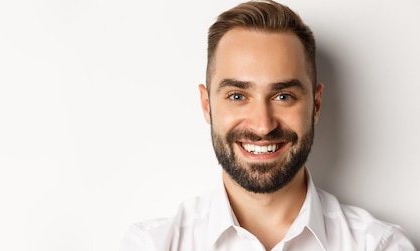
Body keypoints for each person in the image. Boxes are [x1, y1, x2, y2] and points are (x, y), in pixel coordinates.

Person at [119, 1, 416, 250]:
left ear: (315, 104)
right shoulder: (152, 245)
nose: (262, 125)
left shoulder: (379, 246)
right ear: (207, 105)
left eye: (283, 96)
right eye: (237, 96)